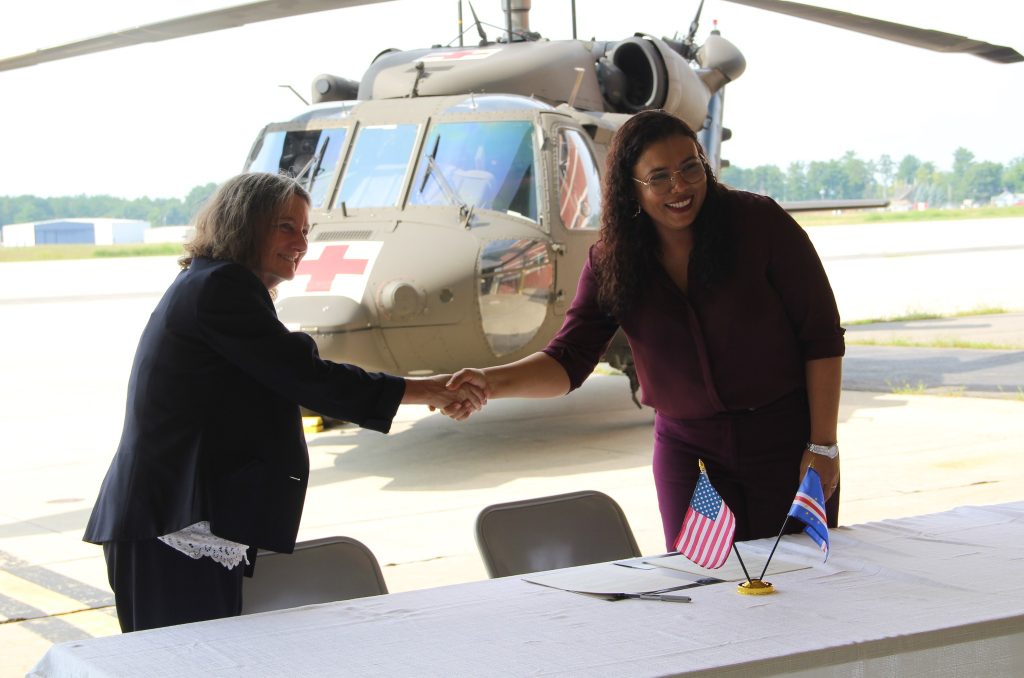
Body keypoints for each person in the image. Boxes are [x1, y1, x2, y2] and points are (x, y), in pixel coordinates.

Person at [83, 172, 482, 632]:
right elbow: (302, 374)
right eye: (286, 227)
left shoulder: (213, 283)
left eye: (306, 231)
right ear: (244, 224)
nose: (301, 243)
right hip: (171, 521)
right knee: (183, 662)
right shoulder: (221, 288)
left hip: (175, 517)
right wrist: (425, 389)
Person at [446, 110, 844, 550]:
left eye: (691, 167)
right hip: (691, 460)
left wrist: (823, 445)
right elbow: (569, 359)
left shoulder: (759, 224)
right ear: (631, 188)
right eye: (658, 177)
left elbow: (821, 337)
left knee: (799, 581)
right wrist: (488, 383)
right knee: (706, 586)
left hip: (784, 446)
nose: (680, 186)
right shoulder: (611, 261)